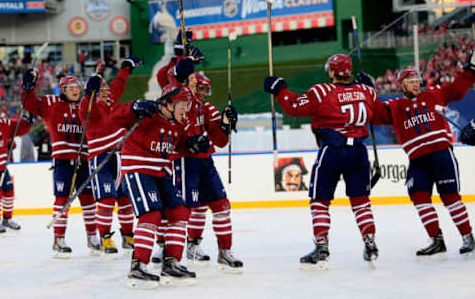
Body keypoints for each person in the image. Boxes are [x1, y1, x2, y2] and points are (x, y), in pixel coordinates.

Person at [264, 54, 379, 269]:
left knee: (320, 200)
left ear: (333, 72)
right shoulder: (368, 91)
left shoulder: (322, 91)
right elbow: (375, 110)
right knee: (361, 200)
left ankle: (321, 247)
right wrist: (369, 87)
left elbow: (295, 107)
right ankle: (370, 243)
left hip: (333, 151)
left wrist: (279, 89)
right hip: (359, 152)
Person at [366, 50, 475, 257]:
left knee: (451, 197)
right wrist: (366, 91)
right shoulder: (396, 106)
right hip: (417, 160)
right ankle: (436, 240)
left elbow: (457, 89)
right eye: (411, 81)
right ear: (402, 86)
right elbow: (373, 114)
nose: (416, 84)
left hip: (441, 154)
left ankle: (467, 237)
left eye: (417, 80)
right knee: (419, 197)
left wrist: (470, 71)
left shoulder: (434, 94)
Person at [111, 86, 198, 288]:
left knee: (179, 212)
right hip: (138, 170)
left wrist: (194, 144)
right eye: (182, 105)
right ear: (168, 103)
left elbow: (180, 145)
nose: (186, 109)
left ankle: (172, 263)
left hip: (162, 173)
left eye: (188, 105)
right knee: (151, 215)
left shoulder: (178, 123)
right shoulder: (146, 114)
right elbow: (112, 117)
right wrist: (132, 107)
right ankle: (138, 266)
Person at [22, 71, 101, 258]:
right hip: (63, 160)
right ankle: (59, 240)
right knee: (62, 200)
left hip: (84, 159)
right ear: (63, 90)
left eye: (77, 88)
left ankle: (92, 237)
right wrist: (28, 87)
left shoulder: (87, 105)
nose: (75, 91)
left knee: (89, 201)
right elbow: (30, 104)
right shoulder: (51, 103)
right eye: (70, 88)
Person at [175, 72, 243, 272]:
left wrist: (226, 123)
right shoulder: (181, 106)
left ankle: (224, 252)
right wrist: (189, 142)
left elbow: (220, 141)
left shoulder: (207, 108)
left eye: (207, 90)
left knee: (221, 206)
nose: (205, 94)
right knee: (185, 209)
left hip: (206, 162)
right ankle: (175, 250)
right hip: (186, 162)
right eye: (202, 89)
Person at [79, 57, 141, 258]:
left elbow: (119, 84)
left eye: (107, 90)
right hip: (100, 159)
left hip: (120, 157)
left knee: (125, 199)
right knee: (106, 200)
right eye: (102, 91)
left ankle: (128, 235)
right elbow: (85, 107)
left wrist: (126, 68)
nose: (107, 93)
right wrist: (89, 93)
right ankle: (105, 237)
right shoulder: (88, 106)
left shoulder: (109, 101)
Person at [0, 112, 34, 233]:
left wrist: (27, 121)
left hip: (2, 166)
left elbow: (19, 128)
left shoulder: (3, 122)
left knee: (9, 191)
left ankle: (7, 219)